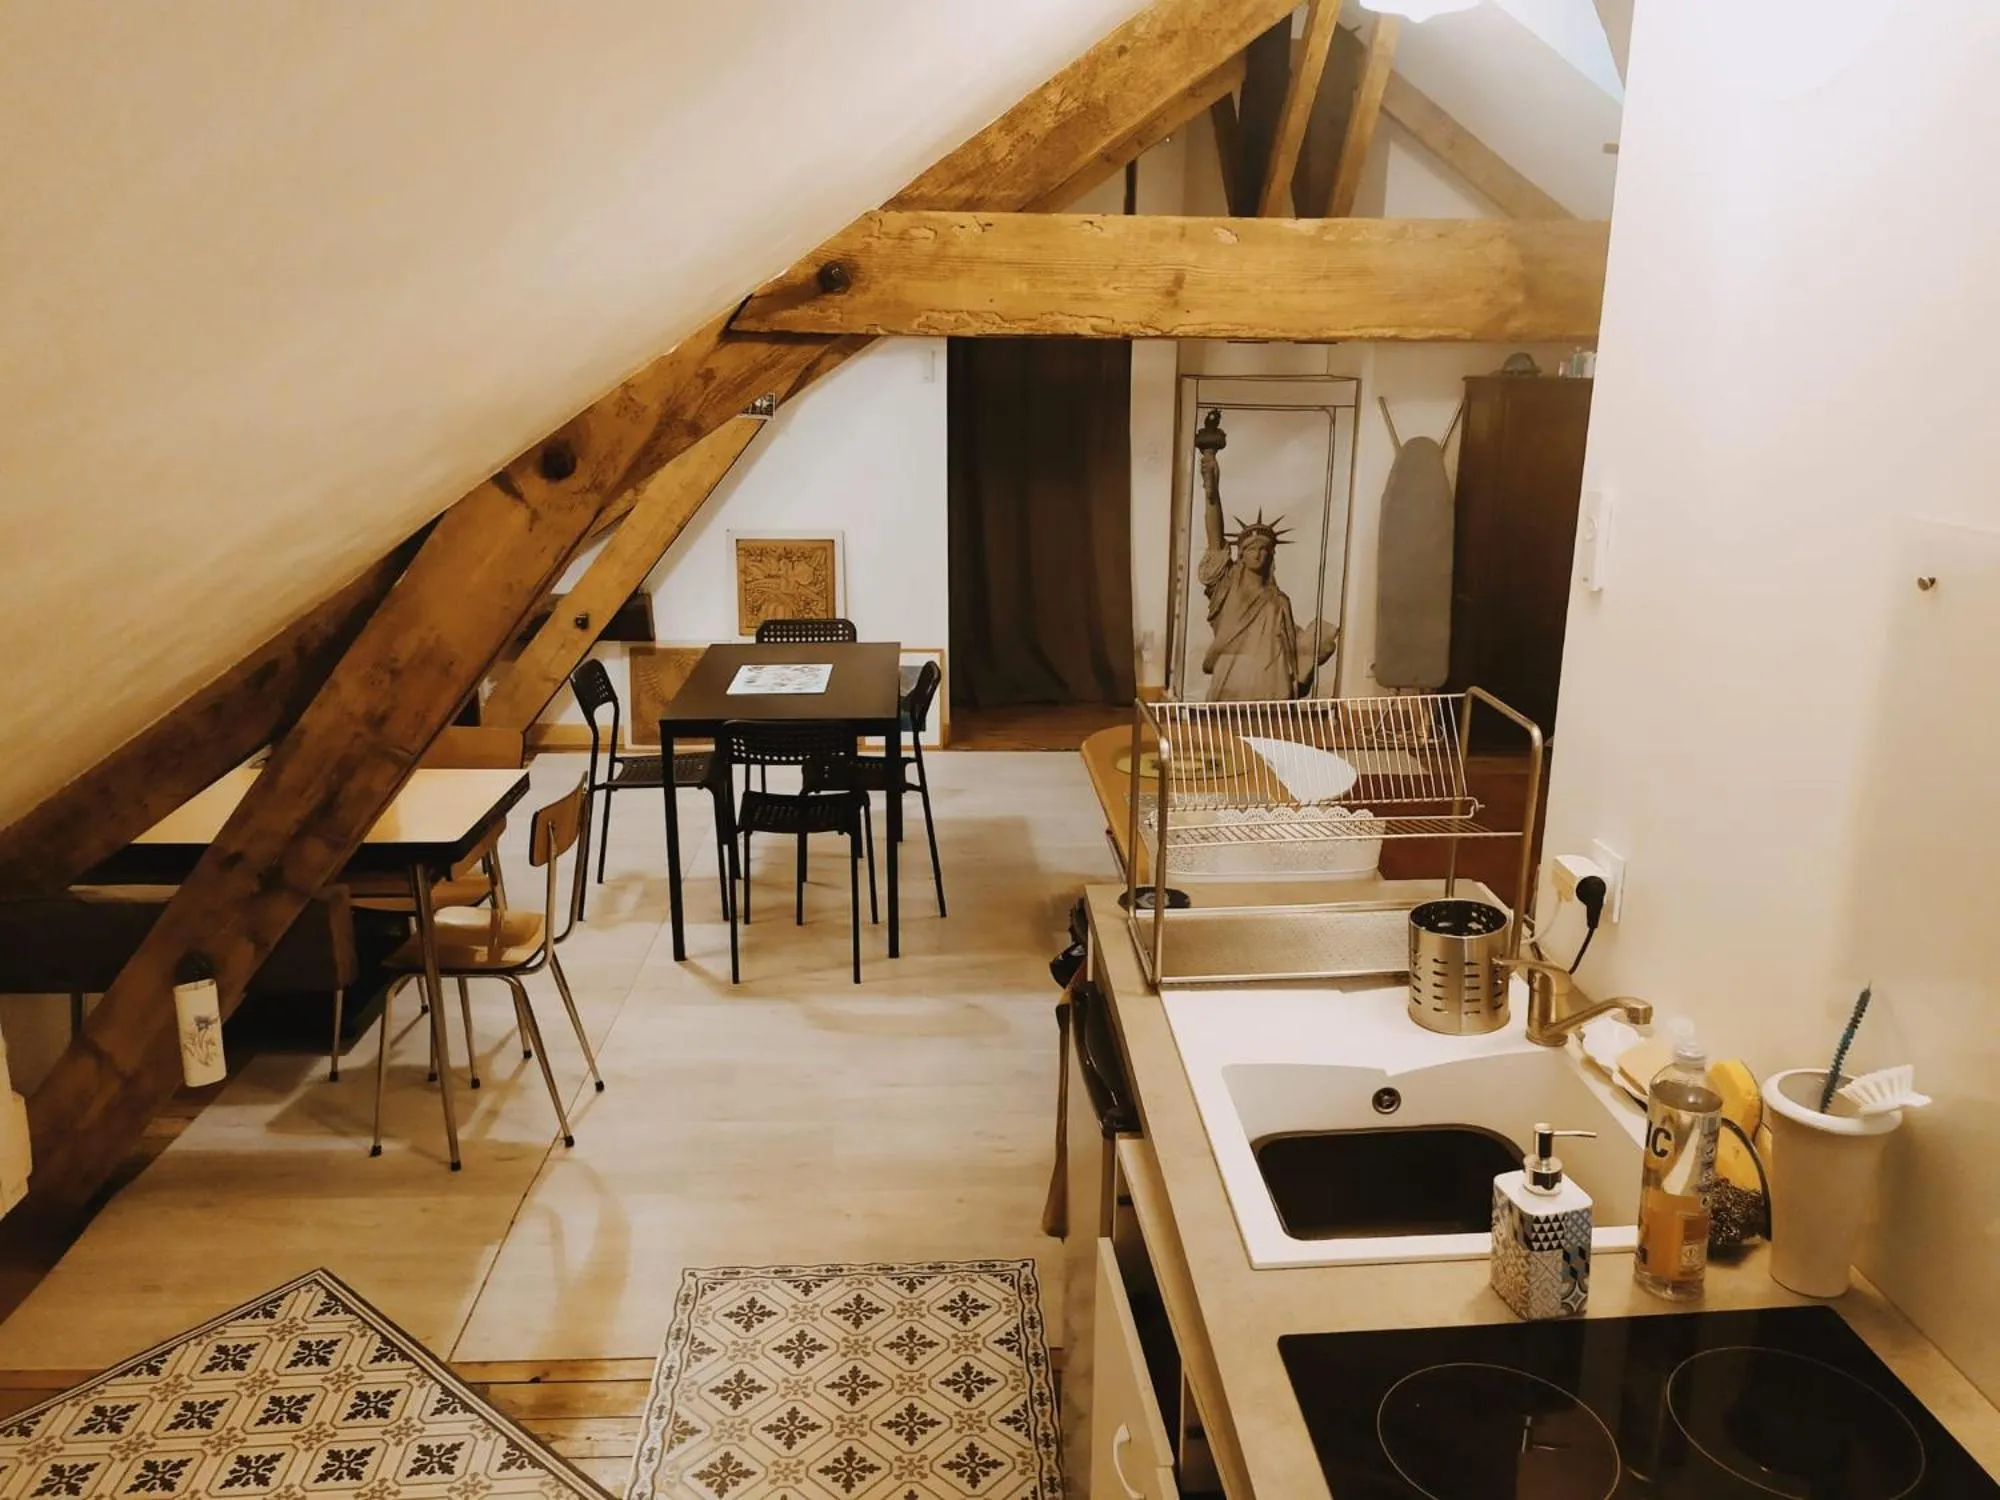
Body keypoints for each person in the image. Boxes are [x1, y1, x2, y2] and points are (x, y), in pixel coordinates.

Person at [1194, 411, 1338, 700]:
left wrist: (1319, 639)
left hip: (1271, 683)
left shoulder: (1280, 602)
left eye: (1265, 550)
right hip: (1231, 680)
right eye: (1251, 549)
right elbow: (1214, 533)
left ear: (1272, 557)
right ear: (1241, 554)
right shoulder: (1226, 588)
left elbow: (1293, 650)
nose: (1258, 554)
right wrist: (1212, 491)